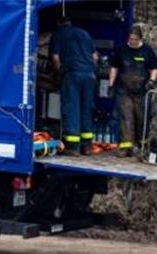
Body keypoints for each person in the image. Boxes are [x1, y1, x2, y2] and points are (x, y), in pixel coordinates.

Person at [108, 25, 157, 157]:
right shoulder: (121, 50)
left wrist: (152, 81)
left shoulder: (147, 51)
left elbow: (154, 68)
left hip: (141, 91)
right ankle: (126, 147)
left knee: (141, 118)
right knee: (126, 117)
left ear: (140, 39)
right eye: (130, 39)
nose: (132, 42)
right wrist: (110, 84)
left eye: (135, 39)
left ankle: (141, 146)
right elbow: (114, 68)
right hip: (123, 90)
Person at [50, 16, 99, 155]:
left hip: (72, 74)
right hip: (89, 74)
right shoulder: (84, 33)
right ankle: (87, 146)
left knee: (72, 108)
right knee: (86, 108)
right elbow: (95, 56)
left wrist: (58, 73)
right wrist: (91, 70)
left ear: (59, 23)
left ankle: (73, 147)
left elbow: (55, 58)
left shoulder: (59, 35)